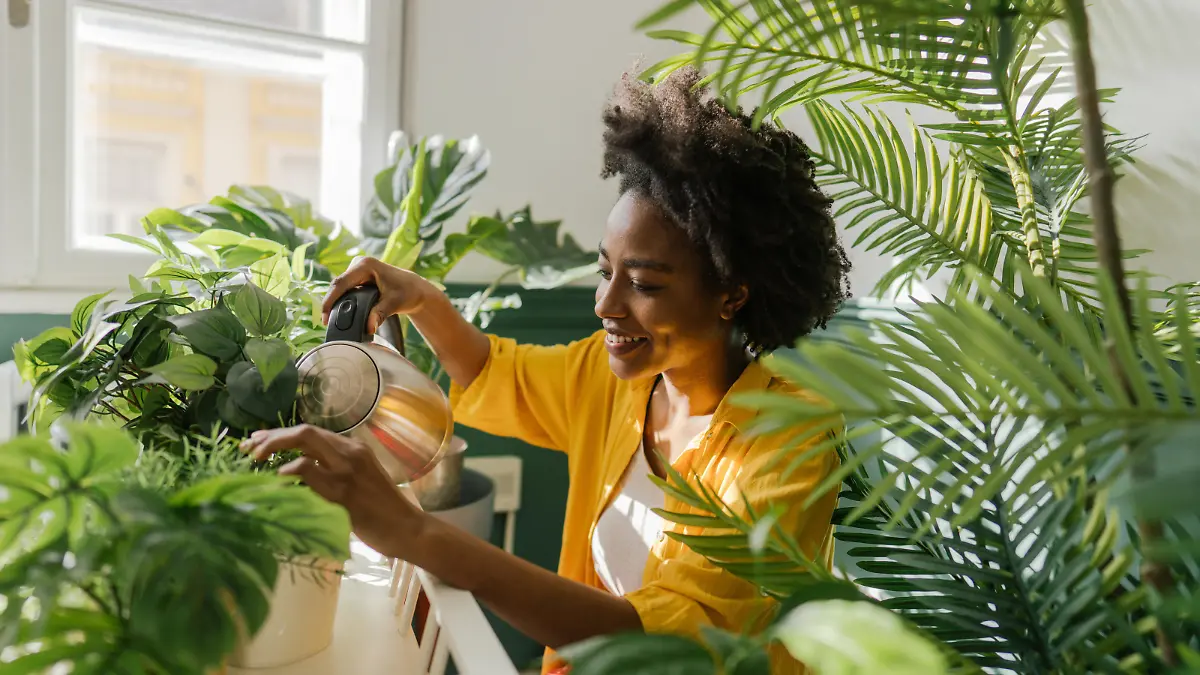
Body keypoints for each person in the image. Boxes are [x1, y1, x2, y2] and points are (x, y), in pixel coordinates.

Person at [241, 67, 852, 674]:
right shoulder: (615, 381)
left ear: (733, 294)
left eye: (642, 283)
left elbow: (673, 645)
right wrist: (424, 299)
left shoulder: (790, 438)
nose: (605, 305)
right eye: (603, 271)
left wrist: (417, 535)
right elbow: (495, 374)